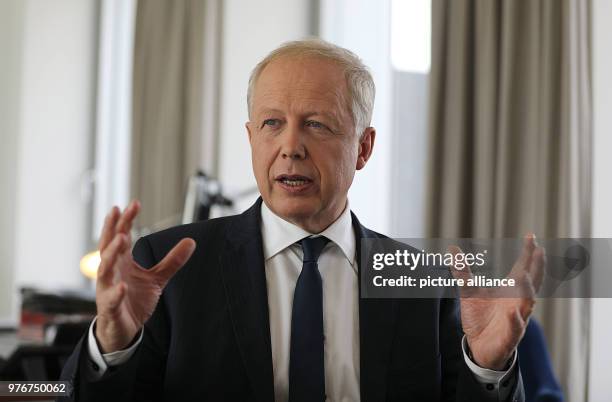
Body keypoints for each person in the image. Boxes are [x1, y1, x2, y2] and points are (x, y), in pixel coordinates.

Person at [59, 39, 545, 402]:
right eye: (272, 123)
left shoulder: (422, 281)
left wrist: (489, 366)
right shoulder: (168, 266)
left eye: (316, 124)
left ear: (364, 148)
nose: (290, 146)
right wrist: (111, 345)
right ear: (252, 138)